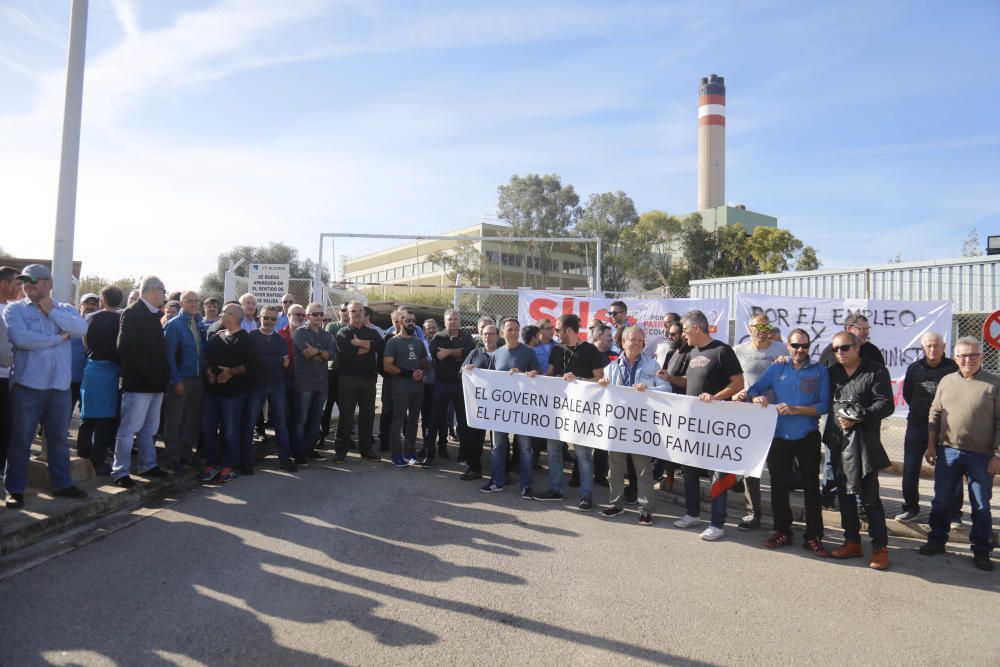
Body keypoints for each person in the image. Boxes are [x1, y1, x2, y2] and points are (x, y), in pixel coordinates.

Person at [2, 264, 90, 508]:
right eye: (24, 280)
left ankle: (62, 484)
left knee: (59, 439)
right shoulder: (14, 310)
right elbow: (21, 339)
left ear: (48, 284)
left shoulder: (64, 309)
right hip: (28, 386)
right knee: (21, 439)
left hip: (59, 388)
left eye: (34, 280)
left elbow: (82, 328)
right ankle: (15, 489)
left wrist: (52, 312)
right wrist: (57, 338)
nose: (28, 284)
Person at [738, 328, 831, 557]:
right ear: (788, 346)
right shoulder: (777, 367)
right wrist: (755, 396)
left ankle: (813, 536)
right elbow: (754, 389)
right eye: (796, 345)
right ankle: (782, 531)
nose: (800, 350)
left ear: (810, 347)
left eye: (805, 346)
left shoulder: (820, 371)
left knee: (811, 488)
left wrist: (796, 409)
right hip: (779, 436)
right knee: (778, 487)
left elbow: (824, 405)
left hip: (808, 436)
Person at [919, 337, 1000, 572]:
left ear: (982, 357)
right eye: (963, 355)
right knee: (941, 500)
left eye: (974, 355)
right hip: (948, 452)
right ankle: (936, 540)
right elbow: (934, 414)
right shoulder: (947, 381)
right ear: (955, 358)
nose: (968, 360)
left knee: (981, 505)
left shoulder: (994, 384)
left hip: (982, 456)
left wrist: (997, 455)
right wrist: (931, 446)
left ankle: (982, 550)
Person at [824, 331, 895, 570]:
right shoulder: (832, 372)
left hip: (864, 443)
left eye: (844, 348)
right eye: (836, 349)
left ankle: (880, 548)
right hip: (838, 442)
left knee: (870, 499)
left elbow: (886, 404)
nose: (840, 353)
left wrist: (859, 417)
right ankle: (852, 541)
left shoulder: (876, 370)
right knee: (844, 495)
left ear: (857, 347)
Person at [672, 310, 744, 542]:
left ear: (696, 328)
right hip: (693, 423)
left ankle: (717, 522)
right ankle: (692, 513)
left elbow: (738, 383)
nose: (683, 334)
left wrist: (716, 397)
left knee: (717, 472)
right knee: (690, 468)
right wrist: (669, 378)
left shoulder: (723, 351)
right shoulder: (691, 352)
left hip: (718, 423)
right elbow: (689, 381)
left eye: (685, 329)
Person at [532, 314, 607, 509]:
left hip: (581, 412)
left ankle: (586, 495)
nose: (555, 334)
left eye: (557, 330)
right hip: (557, 410)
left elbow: (599, 379)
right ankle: (555, 489)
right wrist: (534, 376)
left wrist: (578, 380)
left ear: (568, 330)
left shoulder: (590, 350)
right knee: (554, 450)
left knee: (582, 454)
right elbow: (549, 375)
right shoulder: (556, 350)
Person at [597, 326, 668, 525]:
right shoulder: (611, 367)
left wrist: (650, 389)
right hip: (618, 424)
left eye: (640, 340)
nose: (637, 344)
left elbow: (666, 387)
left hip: (642, 425)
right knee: (615, 466)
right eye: (633, 340)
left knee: (643, 468)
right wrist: (602, 385)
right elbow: (604, 393)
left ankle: (645, 509)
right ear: (623, 342)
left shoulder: (653, 365)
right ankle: (616, 504)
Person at [112, 275, 170, 488]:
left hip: (155, 384)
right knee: (129, 429)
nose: (164, 295)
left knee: (150, 429)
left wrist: (161, 376)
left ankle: (148, 465)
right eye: (163, 291)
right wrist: (148, 373)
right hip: (139, 384)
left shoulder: (155, 315)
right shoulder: (132, 312)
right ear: (153, 290)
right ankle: (121, 471)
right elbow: (125, 347)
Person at [896, 332, 960, 522]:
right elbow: (908, 394)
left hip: (947, 428)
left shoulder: (954, 368)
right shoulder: (914, 369)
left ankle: (954, 514)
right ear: (923, 348)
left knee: (952, 470)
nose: (933, 349)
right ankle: (910, 508)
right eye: (929, 346)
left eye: (936, 345)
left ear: (943, 347)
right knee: (910, 469)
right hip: (917, 425)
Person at [731, 313, 786, 531]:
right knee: (750, 468)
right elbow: (734, 381)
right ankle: (753, 513)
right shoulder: (739, 350)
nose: (762, 329)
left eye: (766, 325)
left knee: (777, 468)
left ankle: (780, 516)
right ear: (750, 328)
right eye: (758, 326)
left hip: (776, 416)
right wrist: (735, 396)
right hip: (749, 416)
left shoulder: (781, 350)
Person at [480, 318, 540, 496]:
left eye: (516, 329)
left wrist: (527, 375)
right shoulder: (497, 353)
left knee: (525, 448)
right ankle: (497, 481)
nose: (513, 333)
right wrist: (471, 371)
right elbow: (490, 379)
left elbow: (538, 375)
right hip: (500, 410)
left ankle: (526, 485)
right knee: (498, 446)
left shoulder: (528, 353)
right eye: (509, 330)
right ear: (502, 333)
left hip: (522, 410)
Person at [200, 303, 254, 483]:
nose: (220, 315)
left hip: (234, 394)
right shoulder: (216, 337)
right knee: (208, 428)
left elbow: (252, 365)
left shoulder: (246, 339)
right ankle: (213, 462)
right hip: (212, 392)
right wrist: (208, 369)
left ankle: (230, 465)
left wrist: (230, 372)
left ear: (232, 316)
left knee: (230, 431)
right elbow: (205, 357)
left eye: (223, 312)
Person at [79, 286, 124, 476]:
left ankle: (82, 457)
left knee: (87, 417)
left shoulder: (90, 318)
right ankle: (98, 462)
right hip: (112, 371)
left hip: (92, 369)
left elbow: (85, 343)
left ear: (102, 299)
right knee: (105, 419)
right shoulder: (121, 320)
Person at [162, 290, 207, 471]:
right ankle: (172, 457)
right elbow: (169, 356)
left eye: (196, 301)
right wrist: (176, 380)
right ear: (181, 304)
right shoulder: (173, 325)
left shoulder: (199, 323)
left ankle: (186, 453)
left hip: (198, 379)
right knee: (174, 419)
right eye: (190, 301)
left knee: (193, 418)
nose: (194, 304)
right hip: (181, 379)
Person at [248, 304, 296, 471]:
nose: (269, 321)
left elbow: (285, 363)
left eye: (273, 319)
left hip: (276, 384)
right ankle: (246, 460)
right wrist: (275, 361)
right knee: (250, 422)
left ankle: (284, 458)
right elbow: (251, 362)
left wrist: (262, 360)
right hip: (256, 384)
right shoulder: (251, 337)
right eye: (266, 317)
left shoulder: (280, 340)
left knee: (281, 423)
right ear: (259, 317)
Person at [333, 301, 382, 463]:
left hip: (368, 379)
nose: (357, 314)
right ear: (348, 313)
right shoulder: (343, 332)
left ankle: (366, 449)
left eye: (360, 311)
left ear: (364, 313)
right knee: (346, 416)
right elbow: (347, 352)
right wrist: (369, 347)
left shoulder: (372, 331)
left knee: (367, 415)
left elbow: (380, 346)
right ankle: (341, 451)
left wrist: (359, 343)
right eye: (354, 311)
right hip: (348, 379)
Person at [427, 309, 475, 466]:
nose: (453, 321)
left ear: (460, 321)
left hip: (461, 384)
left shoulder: (467, 338)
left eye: (455, 319)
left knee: (463, 421)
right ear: (445, 321)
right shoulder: (438, 337)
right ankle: (429, 454)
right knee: (434, 419)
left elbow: (468, 355)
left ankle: (465, 455)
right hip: (441, 384)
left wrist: (448, 351)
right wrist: (456, 353)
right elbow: (438, 355)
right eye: (450, 319)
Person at [383, 309, 428, 466]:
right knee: (398, 421)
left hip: (417, 389)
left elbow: (424, 363)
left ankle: (410, 452)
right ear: (400, 322)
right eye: (408, 320)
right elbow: (387, 366)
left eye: (413, 321)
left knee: (414, 422)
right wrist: (409, 374)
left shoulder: (418, 342)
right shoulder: (392, 342)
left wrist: (422, 372)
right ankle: (396, 455)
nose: (411, 323)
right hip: (400, 388)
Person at [293, 302, 337, 463]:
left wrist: (318, 352)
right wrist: (322, 354)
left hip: (321, 383)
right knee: (301, 419)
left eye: (321, 314)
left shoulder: (326, 336)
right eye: (315, 314)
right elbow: (307, 354)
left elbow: (332, 355)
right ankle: (298, 453)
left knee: (315, 418)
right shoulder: (300, 333)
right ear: (307, 316)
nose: (319, 317)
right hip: (305, 383)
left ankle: (309, 449)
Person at [460, 324, 501, 480]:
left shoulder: (504, 354)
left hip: (499, 405)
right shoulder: (474, 353)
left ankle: (500, 471)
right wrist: (466, 369)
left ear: (498, 336)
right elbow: (461, 372)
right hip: (479, 405)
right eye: (485, 334)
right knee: (475, 438)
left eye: (491, 334)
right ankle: (474, 468)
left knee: (498, 441)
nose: (487, 337)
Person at [0, 266, 21, 479]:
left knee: (6, 426)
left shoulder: (13, 311)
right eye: (17, 283)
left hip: (8, 379)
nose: (21, 288)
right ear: (4, 284)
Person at [320, 302, 349, 444]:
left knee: (346, 406)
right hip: (332, 370)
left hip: (348, 372)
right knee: (328, 405)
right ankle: (322, 436)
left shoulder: (355, 328)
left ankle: (344, 437)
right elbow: (333, 344)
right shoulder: (331, 326)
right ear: (340, 312)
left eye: (348, 310)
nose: (345, 313)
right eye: (343, 310)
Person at [420, 318, 447, 455]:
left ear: (438, 330)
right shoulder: (420, 345)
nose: (431, 330)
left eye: (433, 328)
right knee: (425, 416)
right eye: (428, 328)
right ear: (424, 331)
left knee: (442, 417)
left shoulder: (443, 344)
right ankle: (426, 445)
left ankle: (443, 446)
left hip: (440, 385)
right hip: (425, 386)